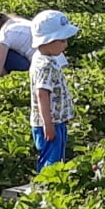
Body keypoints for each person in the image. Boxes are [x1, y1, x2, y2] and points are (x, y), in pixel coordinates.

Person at [29, 10, 79, 172]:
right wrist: (48, 124)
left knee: (57, 155)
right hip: (50, 123)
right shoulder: (45, 65)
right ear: (48, 41)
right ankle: (46, 187)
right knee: (51, 160)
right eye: (62, 40)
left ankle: (51, 185)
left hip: (57, 120)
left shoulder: (44, 58)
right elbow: (42, 94)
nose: (66, 45)